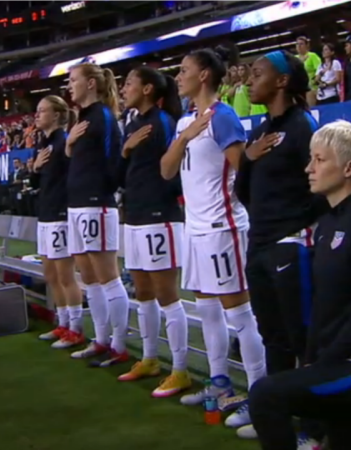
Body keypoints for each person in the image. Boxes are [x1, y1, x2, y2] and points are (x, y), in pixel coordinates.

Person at [249, 120, 351, 450]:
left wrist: (321, 362)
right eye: (311, 158)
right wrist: (313, 357)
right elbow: (323, 305)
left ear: (349, 168)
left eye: (319, 160)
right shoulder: (326, 223)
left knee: (265, 395)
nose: (309, 168)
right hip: (334, 358)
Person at [160, 45, 266, 425]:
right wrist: (185, 136)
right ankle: (220, 383)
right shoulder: (184, 122)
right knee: (206, 309)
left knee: (240, 313)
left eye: (184, 69)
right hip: (195, 229)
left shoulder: (223, 117)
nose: (178, 77)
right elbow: (166, 171)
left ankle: (260, 397)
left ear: (204, 75)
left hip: (223, 228)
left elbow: (243, 172)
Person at [233, 50, 325, 442]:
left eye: (257, 74)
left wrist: (294, 226)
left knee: (304, 339)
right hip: (259, 243)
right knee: (274, 337)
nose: (249, 81)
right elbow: (243, 191)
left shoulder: (303, 127)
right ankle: (279, 419)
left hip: (290, 245)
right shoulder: (259, 131)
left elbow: (320, 189)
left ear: (283, 81)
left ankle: (314, 428)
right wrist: (248, 159)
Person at [114, 66, 192, 396]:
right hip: (135, 217)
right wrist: (125, 150)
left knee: (166, 295)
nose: (123, 89)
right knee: (143, 291)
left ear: (147, 89)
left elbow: (173, 174)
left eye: (129, 83)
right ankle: (149, 359)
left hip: (159, 217)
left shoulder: (162, 123)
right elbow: (119, 175)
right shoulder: (134, 124)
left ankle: (180, 369)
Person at [64, 62, 132, 368]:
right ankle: (101, 339)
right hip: (77, 203)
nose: (69, 85)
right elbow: (79, 157)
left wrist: (102, 192)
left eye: (73, 80)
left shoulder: (103, 116)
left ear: (91, 83)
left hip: (95, 204)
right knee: (89, 277)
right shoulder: (83, 117)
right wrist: (69, 144)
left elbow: (112, 160)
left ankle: (119, 345)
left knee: (107, 276)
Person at [30, 95, 86, 349]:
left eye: (42, 110)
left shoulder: (64, 142)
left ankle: (76, 328)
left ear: (56, 115)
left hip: (60, 216)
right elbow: (37, 182)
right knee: (51, 274)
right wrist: (34, 168)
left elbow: (70, 178)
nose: (37, 115)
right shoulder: (43, 143)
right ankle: (62, 323)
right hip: (45, 213)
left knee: (65, 275)